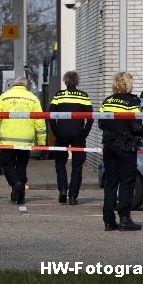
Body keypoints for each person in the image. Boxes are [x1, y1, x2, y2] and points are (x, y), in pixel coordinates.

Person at [0, 76, 46, 205]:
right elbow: (40, 121)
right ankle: (21, 197)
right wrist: (42, 141)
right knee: (21, 167)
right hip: (25, 140)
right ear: (25, 85)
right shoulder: (32, 98)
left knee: (8, 166)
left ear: (13, 85)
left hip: (7, 140)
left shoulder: (4, 97)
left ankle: (16, 184)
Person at [99, 72, 143, 231]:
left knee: (111, 182)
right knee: (127, 181)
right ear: (127, 84)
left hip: (109, 145)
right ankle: (125, 219)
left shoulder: (107, 101)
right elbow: (137, 126)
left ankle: (109, 220)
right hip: (126, 146)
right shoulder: (132, 102)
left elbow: (101, 124)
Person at [49, 71, 93, 205]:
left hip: (61, 133)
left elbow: (51, 115)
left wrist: (56, 131)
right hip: (78, 134)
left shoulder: (58, 95)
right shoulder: (84, 96)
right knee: (77, 165)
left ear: (65, 81)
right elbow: (90, 117)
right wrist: (85, 132)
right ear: (77, 81)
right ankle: (73, 196)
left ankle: (63, 189)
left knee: (60, 162)